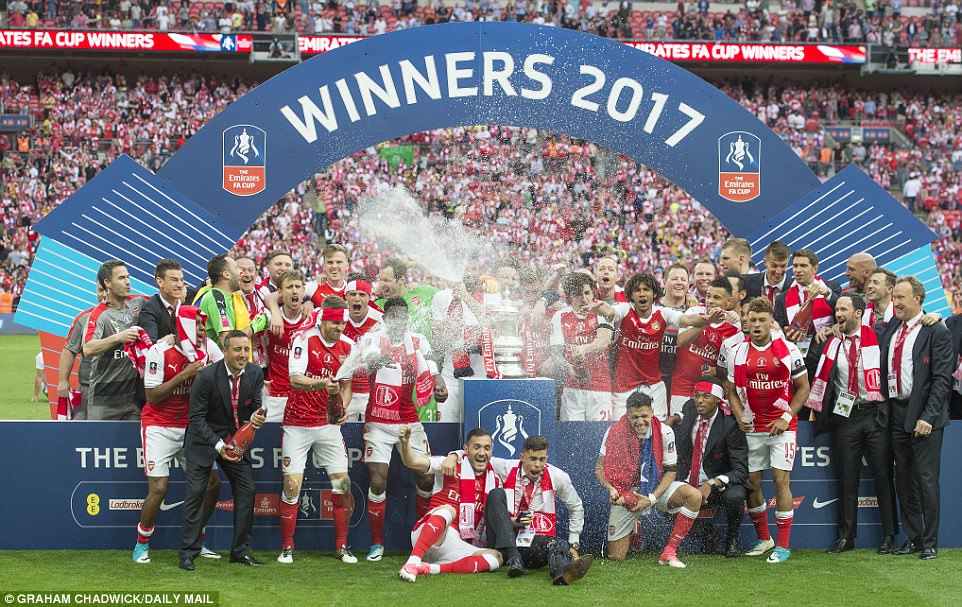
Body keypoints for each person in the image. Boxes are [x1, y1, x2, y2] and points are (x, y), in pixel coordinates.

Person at [336, 297, 448, 562]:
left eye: (403, 316)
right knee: (378, 481)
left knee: (426, 479)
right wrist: (379, 360)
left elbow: (431, 366)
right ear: (385, 319)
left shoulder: (418, 340)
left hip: (409, 419)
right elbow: (371, 360)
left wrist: (439, 384)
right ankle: (377, 543)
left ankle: (421, 540)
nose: (400, 320)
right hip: (378, 420)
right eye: (394, 316)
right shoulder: (374, 338)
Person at [805, 294, 897, 554]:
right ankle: (846, 537)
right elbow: (811, 366)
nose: (838, 314)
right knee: (847, 478)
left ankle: (889, 535)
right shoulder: (830, 342)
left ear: (858, 313)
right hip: (844, 417)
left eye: (843, 309)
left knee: (882, 476)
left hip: (874, 414)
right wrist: (819, 338)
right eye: (836, 310)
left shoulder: (879, 337)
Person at [134, 307, 223, 565]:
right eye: (198, 325)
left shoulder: (208, 349)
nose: (203, 331)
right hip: (159, 426)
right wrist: (185, 374)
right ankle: (141, 542)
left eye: (204, 325)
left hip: (192, 427)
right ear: (182, 327)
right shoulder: (159, 351)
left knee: (212, 484)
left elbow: (225, 373)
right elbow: (152, 396)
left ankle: (197, 539)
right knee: (159, 489)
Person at [724, 297, 810, 563]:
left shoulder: (788, 350)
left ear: (771, 322)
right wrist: (739, 415)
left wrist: (786, 417)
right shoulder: (737, 352)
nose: (757, 324)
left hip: (781, 427)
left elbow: (803, 388)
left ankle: (782, 545)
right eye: (752, 319)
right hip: (752, 426)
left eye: (762, 320)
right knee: (752, 483)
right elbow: (730, 390)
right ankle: (765, 539)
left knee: (781, 481)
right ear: (746, 321)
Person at [277, 296, 356, 564]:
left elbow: (346, 386)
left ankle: (342, 546)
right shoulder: (304, 340)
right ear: (323, 321)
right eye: (335, 323)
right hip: (297, 424)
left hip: (328, 426)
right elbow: (294, 380)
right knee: (292, 486)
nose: (340, 328)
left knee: (343, 485)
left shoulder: (349, 345)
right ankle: (287, 546)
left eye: (343, 323)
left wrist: (342, 407)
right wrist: (323, 383)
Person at [179, 330, 267, 571]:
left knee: (247, 489)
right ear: (225, 351)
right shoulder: (206, 376)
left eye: (246, 349)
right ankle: (188, 552)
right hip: (203, 441)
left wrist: (258, 417)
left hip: (233, 442)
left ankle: (240, 551)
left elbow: (256, 407)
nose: (243, 354)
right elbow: (196, 419)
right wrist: (218, 445)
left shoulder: (255, 373)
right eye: (237, 349)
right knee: (196, 492)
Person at [881, 276, 952, 560]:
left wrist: (928, 417)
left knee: (926, 480)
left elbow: (942, 380)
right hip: (897, 411)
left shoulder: (936, 331)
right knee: (904, 479)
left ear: (917, 299)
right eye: (894, 297)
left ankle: (931, 542)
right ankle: (914, 538)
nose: (895, 302)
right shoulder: (892, 327)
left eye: (900, 297)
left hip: (924, 415)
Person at [595, 392, 705, 568]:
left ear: (652, 412)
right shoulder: (614, 431)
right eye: (634, 417)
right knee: (616, 556)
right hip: (626, 492)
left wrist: (652, 498)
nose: (640, 421)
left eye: (644, 416)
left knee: (694, 496)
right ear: (627, 415)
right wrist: (611, 489)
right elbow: (599, 469)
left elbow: (671, 470)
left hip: (655, 488)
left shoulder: (665, 431)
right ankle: (634, 526)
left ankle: (670, 550)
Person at [395, 426, 504, 582]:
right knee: (448, 509)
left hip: (455, 543)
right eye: (476, 447)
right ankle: (413, 561)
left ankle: (430, 568)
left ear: (492, 450)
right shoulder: (449, 464)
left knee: (496, 558)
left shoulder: (494, 481)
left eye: (487, 448)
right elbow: (412, 462)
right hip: (429, 533)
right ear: (466, 449)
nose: (482, 453)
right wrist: (405, 443)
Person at [483, 435, 593, 585]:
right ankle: (514, 556)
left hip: (530, 544)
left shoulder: (557, 476)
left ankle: (562, 574)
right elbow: (476, 455)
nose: (537, 465)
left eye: (542, 459)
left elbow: (576, 506)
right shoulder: (506, 467)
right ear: (522, 457)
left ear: (547, 458)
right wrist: (454, 456)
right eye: (533, 459)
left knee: (557, 543)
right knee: (495, 494)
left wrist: (574, 542)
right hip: (501, 543)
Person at [599, 272, 700, 421]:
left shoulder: (663, 313)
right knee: (622, 430)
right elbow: (610, 312)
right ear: (631, 295)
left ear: (654, 294)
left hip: (654, 386)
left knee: (657, 429)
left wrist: (707, 319)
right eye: (637, 290)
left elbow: (687, 319)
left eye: (646, 289)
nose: (642, 294)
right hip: (623, 387)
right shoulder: (624, 309)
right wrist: (598, 308)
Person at [674, 376, 749, 558]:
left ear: (718, 400)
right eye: (697, 396)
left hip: (716, 486)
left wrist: (713, 482)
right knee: (664, 496)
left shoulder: (730, 425)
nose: (700, 401)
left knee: (735, 495)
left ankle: (731, 539)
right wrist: (673, 418)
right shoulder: (690, 410)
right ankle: (704, 533)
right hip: (689, 481)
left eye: (706, 396)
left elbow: (741, 470)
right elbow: (684, 412)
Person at [669, 277, 741, 421]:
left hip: (710, 391)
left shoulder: (735, 327)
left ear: (728, 302)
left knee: (704, 431)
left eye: (716, 298)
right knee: (679, 428)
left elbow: (731, 366)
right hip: (682, 386)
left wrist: (716, 370)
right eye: (708, 296)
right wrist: (707, 322)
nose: (710, 301)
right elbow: (681, 342)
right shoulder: (694, 312)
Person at [82, 260, 145, 420]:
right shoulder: (99, 315)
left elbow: (163, 300)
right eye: (121, 278)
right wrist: (118, 337)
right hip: (103, 402)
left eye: (128, 277)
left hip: (132, 401)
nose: (127, 282)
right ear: (107, 283)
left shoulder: (137, 302)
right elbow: (88, 348)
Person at [549, 272, 614, 421]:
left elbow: (603, 342)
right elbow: (556, 353)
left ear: (593, 293)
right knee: (571, 433)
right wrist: (567, 366)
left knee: (599, 433)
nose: (584, 299)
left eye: (587, 293)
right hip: (572, 388)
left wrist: (584, 349)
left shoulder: (602, 312)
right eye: (578, 294)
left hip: (600, 388)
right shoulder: (559, 316)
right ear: (570, 296)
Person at [251, 269, 309, 423]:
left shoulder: (313, 319)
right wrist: (253, 339)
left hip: (305, 395)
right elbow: (244, 335)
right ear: (280, 292)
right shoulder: (268, 316)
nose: (294, 291)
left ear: (304, 291)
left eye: (298, 287)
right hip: (275, 395)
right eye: (289, 287)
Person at [773, 248, 841, 357]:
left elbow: (843, 310)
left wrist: (827, 293)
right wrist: (786, 332)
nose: (798, 270)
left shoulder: (831, 288)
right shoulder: (782, 298)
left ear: (815, 268)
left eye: (803, 266)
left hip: (826, 349)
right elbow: (779, 329)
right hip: (797, 354)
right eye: (795, 266)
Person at [58, 284, 106, 420]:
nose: (103, 294)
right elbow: (69, 349)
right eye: (100, 290)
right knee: (79, 427)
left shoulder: (129, 317)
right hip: (87, 388)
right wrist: (63, 381)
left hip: (119, 392)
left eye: (107, 290)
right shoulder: (84, 318)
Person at [341, 274, 382, 421]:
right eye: (352, 294)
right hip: (344, 391)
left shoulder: (380, 320)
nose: (357, 298)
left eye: (362, 294)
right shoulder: (337, 317)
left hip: (371, 392)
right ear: (345, 297)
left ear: (369, 298)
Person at [196, 254, 250, 349]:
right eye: (236, 268)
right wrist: (255, 326)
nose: (241, 272)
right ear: (226, 274)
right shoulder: (216, 298)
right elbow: (227, 341)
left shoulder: (227, 297)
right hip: (213, 358)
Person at [138, 259, 185, 344]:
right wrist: (164, 342)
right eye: (174, 280)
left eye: (181, 280)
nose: (180, 285)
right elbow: (150, 344)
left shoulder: (188, 304)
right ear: (160, 282)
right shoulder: (149, 310)